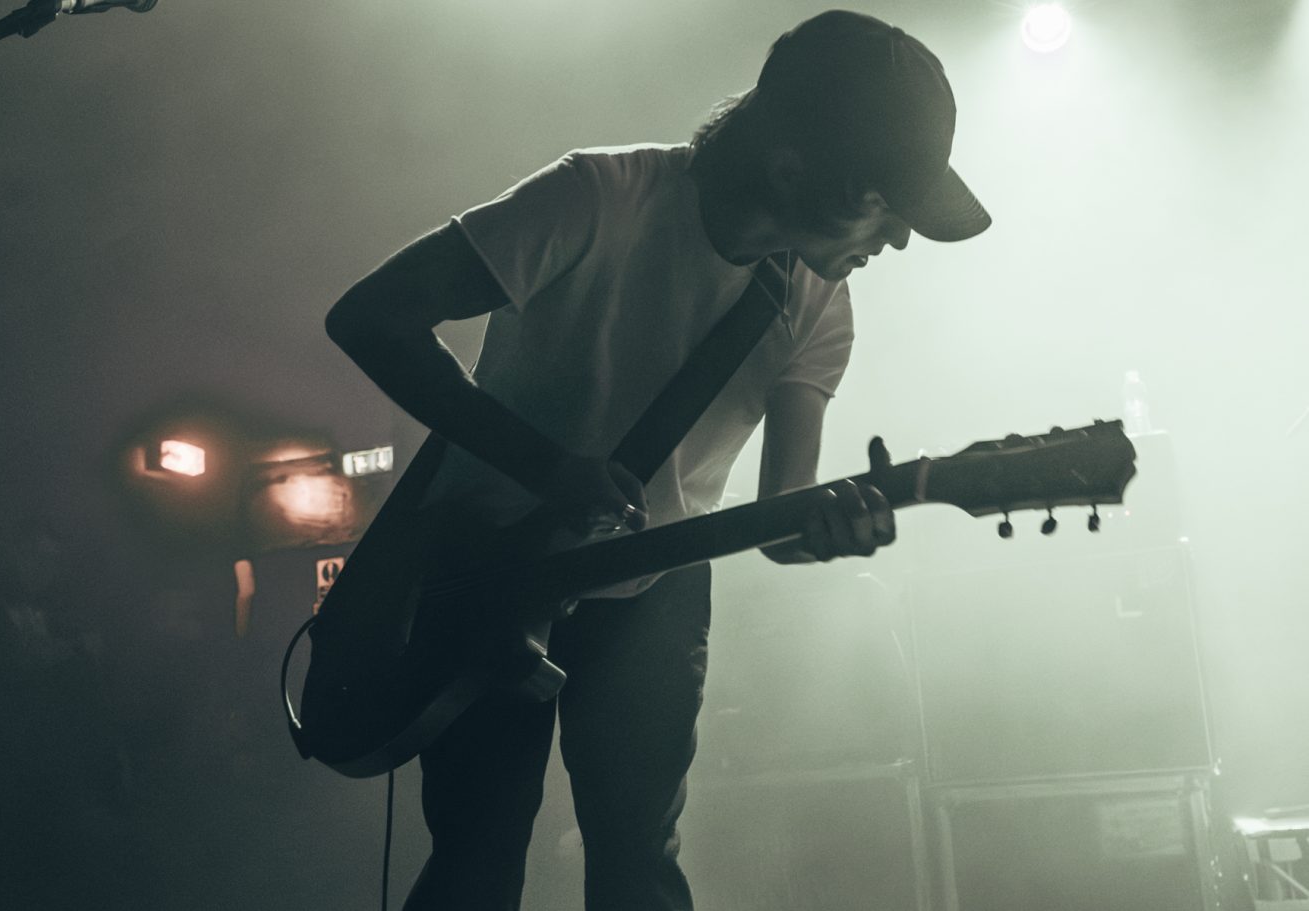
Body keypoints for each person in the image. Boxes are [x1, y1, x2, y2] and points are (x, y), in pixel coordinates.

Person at [324, 9, 991, 910]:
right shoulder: (595, 200)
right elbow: (370, 317)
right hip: (486, 567)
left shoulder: (815, 306)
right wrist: (546, 465)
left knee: (639, 866)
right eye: (879, 200)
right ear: (791, 167)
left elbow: (782, 519)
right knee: (476, 864)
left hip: (654, 593)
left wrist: (835, 529)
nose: (900, 237)